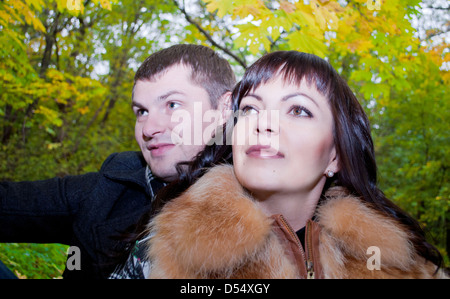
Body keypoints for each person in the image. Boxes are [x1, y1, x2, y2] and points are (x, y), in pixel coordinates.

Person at [133, 50, 445, 279]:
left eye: (298, 110)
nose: (262, 123)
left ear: (335, 155)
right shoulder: (163, 252)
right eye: (250, 109)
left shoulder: (403, 267)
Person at [0, 44, 236, 279]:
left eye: (172, 105)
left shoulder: (258, 212)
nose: (149, 128)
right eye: (142, 112)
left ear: (224, 109)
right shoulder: (111, 187)